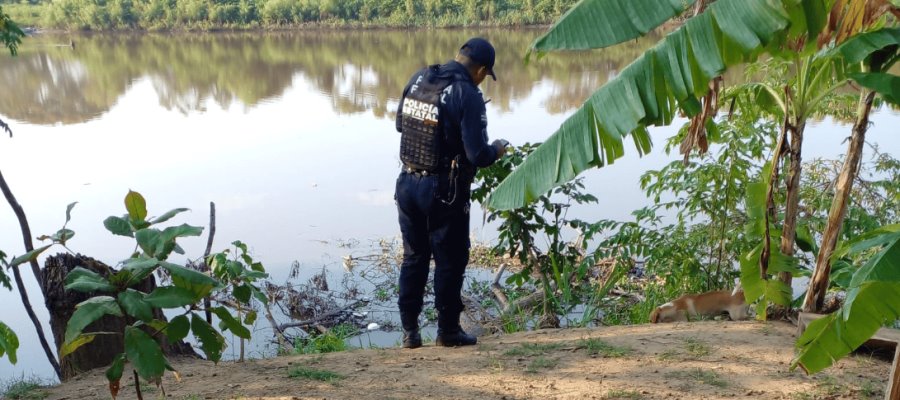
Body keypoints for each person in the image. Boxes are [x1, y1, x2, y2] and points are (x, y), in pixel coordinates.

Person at [394, 37, 508, 348]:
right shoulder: (467, 93)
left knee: (414, 258)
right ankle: (447, 331)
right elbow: (478, 156)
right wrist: (497, 149)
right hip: (444, 191)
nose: (483, 79)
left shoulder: (419, 78)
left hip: (406, 183)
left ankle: (410, 333)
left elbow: (401, 126)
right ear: (481, 70)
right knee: (450, 259)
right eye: (485, 75)